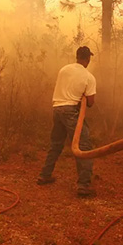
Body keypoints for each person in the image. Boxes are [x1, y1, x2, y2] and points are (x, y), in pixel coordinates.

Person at [37, 45, 98, 198]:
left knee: (56, 144)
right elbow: (90, 102)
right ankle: (84, 185)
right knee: (83, 146)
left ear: (77, 56)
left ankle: (45, 175)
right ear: (88, 59)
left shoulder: (63, 70)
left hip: (57, 109)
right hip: (71, 111)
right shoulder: (89, 77)